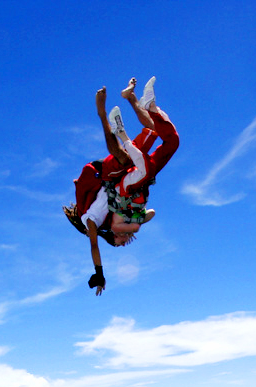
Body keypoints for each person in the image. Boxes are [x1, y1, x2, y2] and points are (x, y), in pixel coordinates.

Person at [64, 78, 179, 295]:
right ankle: (132, 98)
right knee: (157, 132)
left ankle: (102, 113)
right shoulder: (119, 219)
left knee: (123, 157)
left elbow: (94, 246)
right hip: (130, 177)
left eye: (119, 243)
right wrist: (134, 224)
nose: (124, 242)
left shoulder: (92, 222)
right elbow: (150, 213)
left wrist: (99, 273)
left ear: (111, 238)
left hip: (107, 176)